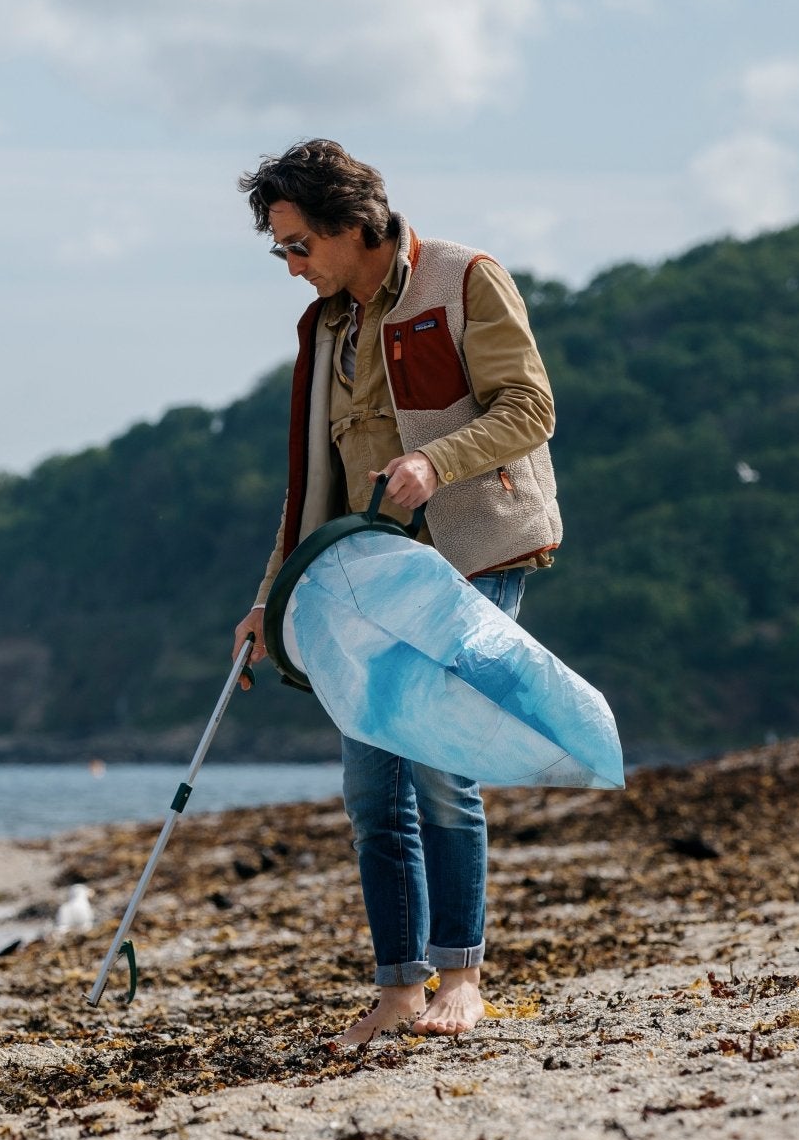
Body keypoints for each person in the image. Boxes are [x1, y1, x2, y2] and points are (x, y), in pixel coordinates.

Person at [231, 140, 562, 1046]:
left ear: (347, 225)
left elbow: (530, 406)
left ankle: (463, 975)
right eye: (281, 251)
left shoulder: (464, 279)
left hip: (470, 557)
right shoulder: (325, 325)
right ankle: (398, 988)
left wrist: (434, 459)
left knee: (438, 768)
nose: (291, 266)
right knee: (372, 789)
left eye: (297, 245)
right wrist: (272, 599)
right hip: (359, 579)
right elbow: (311, 488)